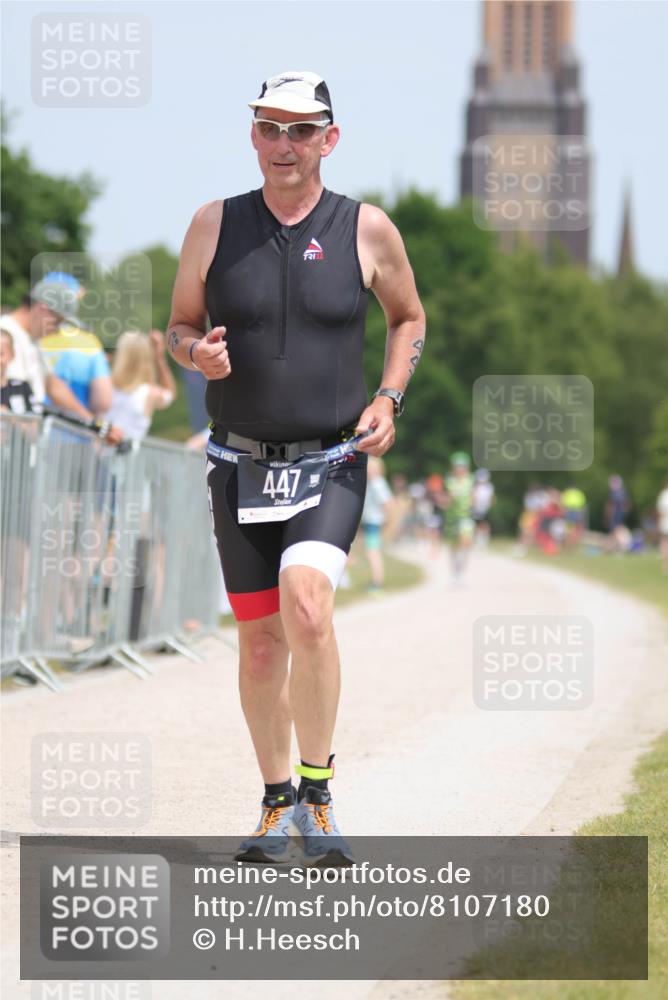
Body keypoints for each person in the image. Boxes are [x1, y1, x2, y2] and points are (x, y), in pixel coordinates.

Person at [166, 70, 425, 864]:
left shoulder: (366, 228)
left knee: (307, 606)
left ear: (329, 140)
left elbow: (409, 317)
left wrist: (388, 396)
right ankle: (277, 801)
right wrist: (193, 355)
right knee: (260, 645)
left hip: (331, 459)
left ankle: (319, 792)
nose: (286, 145)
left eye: (302, 130)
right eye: (271, 128)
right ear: (253, 136)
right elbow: (175, 327)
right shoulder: (213, 225)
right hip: (238, 464)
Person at [1, 273, 121, 441]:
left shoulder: (32, 341)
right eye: (58, 322)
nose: (57, 331)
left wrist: (93, 424)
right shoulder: (5, 334)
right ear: (42, 309)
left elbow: (54, 386)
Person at [107, 330, 176, 440]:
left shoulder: (106, 385)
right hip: (127, 455)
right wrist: (159, 357)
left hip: (91, 452)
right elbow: (170, 394)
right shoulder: (149, 393)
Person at [360, 456, 393, 593]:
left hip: (374, 523)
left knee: (373, 554)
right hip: (369, 522)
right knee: (371, 553)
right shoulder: (372, 483)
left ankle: (377, 583)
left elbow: (388, 504)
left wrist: (386, 521)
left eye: (373, 469)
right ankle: (375, 581)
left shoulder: (377, 483)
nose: (370, 471)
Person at [443, 452, 475, 582]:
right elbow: (447, 498)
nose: (460, 469)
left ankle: (462, 572)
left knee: (465, 543)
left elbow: (473, 497)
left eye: (462, 466)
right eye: (457, 466)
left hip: (466, 516)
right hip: (452, 518)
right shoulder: (450, 481)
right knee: (454, 547)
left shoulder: (471, 480)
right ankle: (454, 572)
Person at [0, 330, 38, 413]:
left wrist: (9, 418)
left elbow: (36, 419)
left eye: (1, 353)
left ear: (12, 355)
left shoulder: (22, 387)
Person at [471, 468, 495, 548]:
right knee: (477, 524)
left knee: (485, 524)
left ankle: (484, 541)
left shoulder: (489, 487)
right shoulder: (475, 486)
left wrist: (490, 504)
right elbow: (473, 497)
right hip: (476, 508)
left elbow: (492, 498)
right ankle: (478, 540)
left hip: (485, 508)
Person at [657, 477, 668, 574]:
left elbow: (660, 511)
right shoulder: (664, 495)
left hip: (665, 522)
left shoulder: (664, 495)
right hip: (665, 522)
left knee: (664, 543)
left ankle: (665, 565)